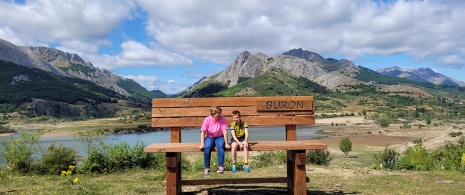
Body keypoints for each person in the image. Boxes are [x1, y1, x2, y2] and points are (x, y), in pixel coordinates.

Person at [198, 106, 231, 178]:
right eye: (217, 113)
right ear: (213, 113)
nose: (219, 114)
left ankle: (220, 166)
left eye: (220, 112)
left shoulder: (222, 119)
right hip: (210, 136)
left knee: (220, 146)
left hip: (220, 136)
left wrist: (226, 143)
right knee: (207, 147)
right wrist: (202, 144)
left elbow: (225, 132)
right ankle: (207, 168)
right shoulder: (207, 119)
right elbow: (203, 132)